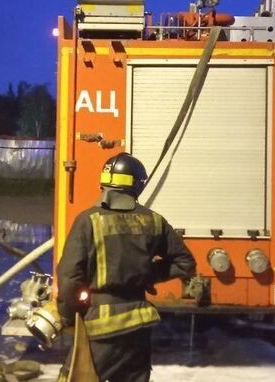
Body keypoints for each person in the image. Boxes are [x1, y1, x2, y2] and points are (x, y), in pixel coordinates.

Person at [56, 152, 196, 382]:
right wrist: (146, 274)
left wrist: (68, 315)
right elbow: (185, 263)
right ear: (136, 185)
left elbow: (70, 277)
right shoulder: (154, 220)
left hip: (101, 325)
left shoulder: (88, 220)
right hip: (140, 324)